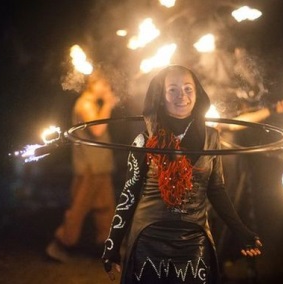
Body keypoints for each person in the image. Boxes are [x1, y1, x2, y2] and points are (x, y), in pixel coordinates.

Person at [101, 65, 262, 283]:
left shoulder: (212, 138)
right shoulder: (145, 140)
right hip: (149, 238)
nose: (182, 96)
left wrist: (241, 231)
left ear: (197, 94)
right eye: (173, 90)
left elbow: (216, 190)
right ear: (161, 96)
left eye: (188, 89)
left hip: (194, 239)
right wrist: (112, 245)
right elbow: (128, 196)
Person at [46, 70, 118, 262]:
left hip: (99, 167)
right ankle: (60, 245)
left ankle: (107, 247)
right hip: (89, 168)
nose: (106, 88)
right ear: (92, 85)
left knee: (105, 208)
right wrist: (109, 105)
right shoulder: (85, 104)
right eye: (103, 84)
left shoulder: (92, 104)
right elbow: (97, 129)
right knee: (78, 209)